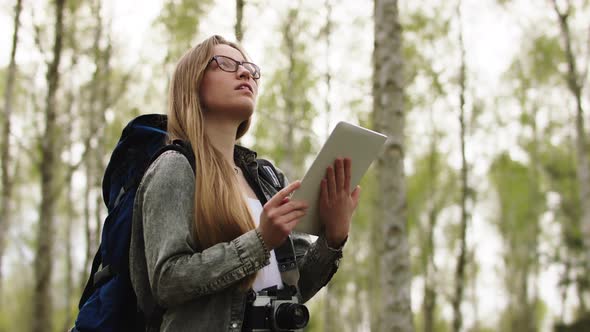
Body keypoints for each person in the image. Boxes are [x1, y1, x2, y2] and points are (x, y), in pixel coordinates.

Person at [129, 35, 361, 331]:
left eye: (249, 68)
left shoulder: (268, 177)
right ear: (192, 85)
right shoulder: (176, 167)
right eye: (224, 64)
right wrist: (261, 241)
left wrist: (334, 238)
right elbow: (167, 281)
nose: (245, 72)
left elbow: (297, 288)